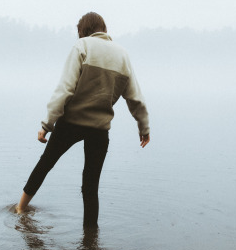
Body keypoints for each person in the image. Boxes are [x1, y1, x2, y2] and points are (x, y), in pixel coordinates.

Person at [14, 12, 150, 228]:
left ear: (83, 31)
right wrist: (144, 127)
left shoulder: (82, 46)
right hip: (100, 129)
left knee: (45, 164)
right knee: (90, 186)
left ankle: (20, 209)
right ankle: (90, 239)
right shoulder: (123, 55)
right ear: (103, 29)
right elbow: (135, 98)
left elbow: (65, 90)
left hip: (71, 123)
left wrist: (47, 125)